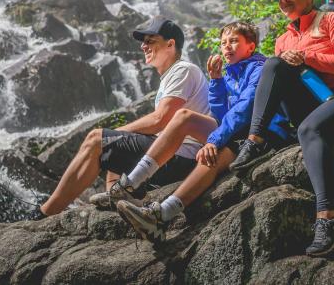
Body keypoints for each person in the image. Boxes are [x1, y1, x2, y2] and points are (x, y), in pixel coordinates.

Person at [227, 0, 334, 257]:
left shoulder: (332, 20)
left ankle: (327, 218)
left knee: (309, 130)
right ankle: (255, 139)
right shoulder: (283, 38)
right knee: (273, 64)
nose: (284, 1)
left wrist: (307, 57)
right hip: (312, 105)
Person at [116, 21, 291, 243]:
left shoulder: (259, 69)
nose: (227, 46)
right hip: (241, 133)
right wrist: (217, 82)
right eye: (223, 42)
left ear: (251, 46)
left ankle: (161, 214)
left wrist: (214, 140)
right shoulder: (230, 74)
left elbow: (243, 110)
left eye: (234, 41)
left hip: (266, 132)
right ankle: (134, 188)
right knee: (194, 130)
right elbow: (221, 113)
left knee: (214, 155)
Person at [29, 17, 210, 219]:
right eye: (143, 42)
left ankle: (44, 213)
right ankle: (116, 202)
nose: (143, 46)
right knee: (113, 159)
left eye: (150, 41)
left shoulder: (183, 70)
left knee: (96, 140)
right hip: (172, 158)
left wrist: (117, 133)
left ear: (170, 44)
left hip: (180, 159)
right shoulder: (171, 76)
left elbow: (160, 119)